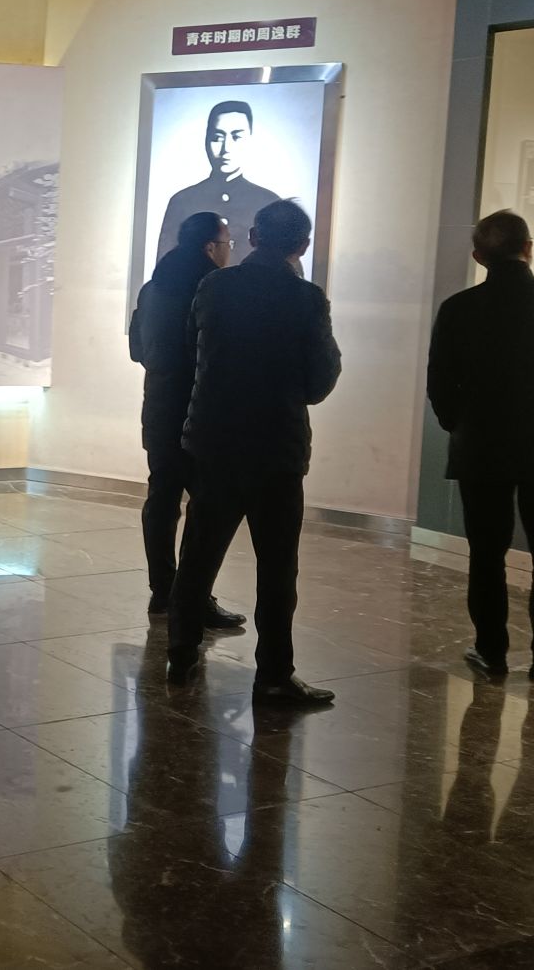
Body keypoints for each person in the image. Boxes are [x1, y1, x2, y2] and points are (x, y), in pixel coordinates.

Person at [166, 200, 341, 705]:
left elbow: (191, 351)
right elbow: (319, 382)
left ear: (253, 237)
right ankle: (274, 676)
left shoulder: (214, 287)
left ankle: (180, 653)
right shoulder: (306, 299)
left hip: (215, 441)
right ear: (302, 245)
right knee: (277, 567)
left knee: (198, 555)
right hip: (275, 447)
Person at [426, 210, 534, 681]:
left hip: (481, 447)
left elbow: (440, 383)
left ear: (478, 256)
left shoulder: (458, 309)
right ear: (528, 248)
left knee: (486, 554)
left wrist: (461, 426)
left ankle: (491, 652)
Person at [129, 210, 244, 629]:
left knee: (162, 500)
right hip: (201, 411)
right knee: (208, 506)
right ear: (210, 247)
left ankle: (163, 591)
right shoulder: (214, 289)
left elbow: (136, 349)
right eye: (228, 243)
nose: (230, 251)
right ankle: (194, 598)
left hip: (160, 408)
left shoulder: (153, 287)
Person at [154, 100, 288, 262]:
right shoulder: (182, 201)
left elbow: (285, 263)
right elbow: (165, 265)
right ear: (206, 140)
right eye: (218, 137)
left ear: (251, 140)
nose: (226, 148)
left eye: (236, 137)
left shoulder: (269, 202)